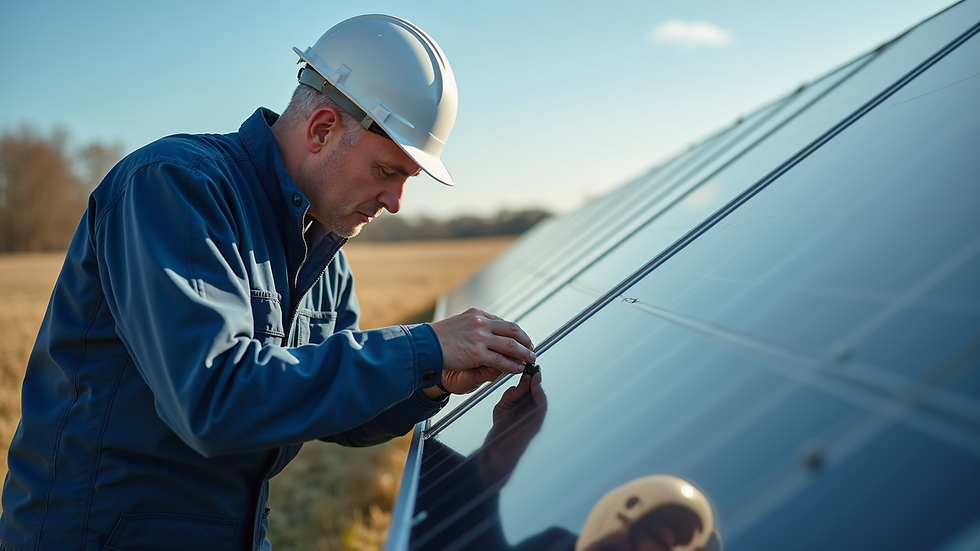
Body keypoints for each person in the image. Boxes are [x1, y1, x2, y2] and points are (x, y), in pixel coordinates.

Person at [0, 14, 534, 551]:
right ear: (323, 128)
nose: (396, 202)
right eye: (387, 172)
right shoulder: (176, 188)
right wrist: (423, 346)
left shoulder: (325, 257)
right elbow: (215, 401)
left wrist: (434, 377)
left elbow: (335, 411)